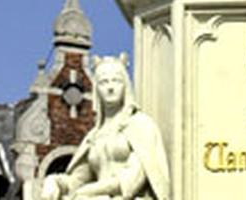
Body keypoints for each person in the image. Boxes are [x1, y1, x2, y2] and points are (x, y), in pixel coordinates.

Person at [41, 54, 170, 200]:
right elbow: (77, 181)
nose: (110, 87)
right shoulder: (93, 136)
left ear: (126, 86)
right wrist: (54, 182)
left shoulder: (140, 124)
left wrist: (88, 191)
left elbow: (132, 180)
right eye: (104, 82)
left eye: (116, 81)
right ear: (97, 90)